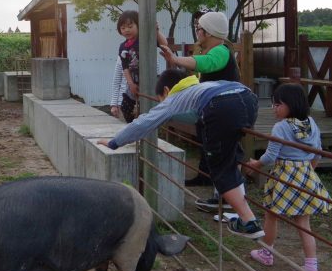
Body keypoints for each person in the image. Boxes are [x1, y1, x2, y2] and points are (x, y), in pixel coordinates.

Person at [98, 68, 265, 239]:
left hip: (221, 107)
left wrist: (114, 142)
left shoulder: (174, 98)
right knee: (229, 151)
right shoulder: (202, 86)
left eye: (160, 100)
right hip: (248, 99)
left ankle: (248, 221)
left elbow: (145, 122)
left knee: (220, 168)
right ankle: (239, 201)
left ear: (166, 91)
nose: (161, 104)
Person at [243, 84, 332, 271]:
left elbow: (270, 156)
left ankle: (266, 253)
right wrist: (309, 171)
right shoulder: (311, 123)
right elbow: (317, 152)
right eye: (273, 104)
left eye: (278, 104)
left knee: (271, 215)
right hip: (305, 173)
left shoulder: (281, 127)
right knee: (303, 223)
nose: (274, 108)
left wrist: (256, 164)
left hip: (284, 175)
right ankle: (311, 266)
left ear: (292, 104)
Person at [162, 11, 242, 211]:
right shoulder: (217, 51)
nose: (197, 31)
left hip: (225, 113)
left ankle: (232, 205)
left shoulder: (221, 51)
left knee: (226, 157)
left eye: (199, 28)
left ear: (208, 32)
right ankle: (222, 199)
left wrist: (176, 60)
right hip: (218, 112)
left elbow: (205, 63)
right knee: (219, 156)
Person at [108, 10, 168, 123]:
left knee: (151, 111)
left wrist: (156, 31)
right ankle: (133, 125)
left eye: (130, 26)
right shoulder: (123, 47)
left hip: (150, 83)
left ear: (139, 25)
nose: (127, 30)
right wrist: (131, 84)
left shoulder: (147, 40)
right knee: (126, 109)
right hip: (133, 84)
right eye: (123, 28)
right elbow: (125, 68)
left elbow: (164, 44)